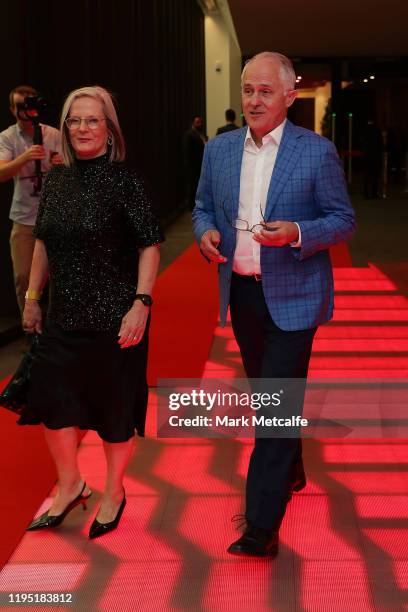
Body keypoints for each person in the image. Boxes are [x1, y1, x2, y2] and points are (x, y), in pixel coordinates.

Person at [192, 52, 355, 557]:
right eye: (247, 90)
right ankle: (294, 466)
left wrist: (299, 232)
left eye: (265, 91)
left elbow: (343, 219)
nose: (253, 100)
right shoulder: (218, 151)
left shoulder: (317, 151)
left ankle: (260, 526)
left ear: (289, 95)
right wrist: (206, 233)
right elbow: (201, 207)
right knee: (271, 396)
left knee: (273, 412)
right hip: (241, 293)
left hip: (296, 297)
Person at [20, 86, 163, 539]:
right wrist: (31, 298)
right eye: (75, 121)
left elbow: (149, 246)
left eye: (92, 120)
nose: (83, 129)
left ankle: (114, 491)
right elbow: (44, 242)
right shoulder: (58, 179)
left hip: (116, 317)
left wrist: (141, 304)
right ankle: (70, 485)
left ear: (109, 129)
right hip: (63, 315)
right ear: (65, 128)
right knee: (53, 408)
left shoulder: (126, 182)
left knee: (113, 414)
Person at [0, 85, 61, 315]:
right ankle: (31, 330)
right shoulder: (7, 137)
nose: (26, 111)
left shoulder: (53, 134)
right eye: (20, 106)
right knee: (23, 276)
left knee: (58, 276)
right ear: (12, 109)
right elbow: (2, 173)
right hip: (24, 218)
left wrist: (61, 163)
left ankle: (55, 331)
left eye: (29, 104)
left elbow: (73, 169)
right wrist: (25, 157)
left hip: (53, 216)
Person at [183, 116, 207, 210]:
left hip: (200, 165)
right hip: (193, 165)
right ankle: (191, 206)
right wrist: (189, 166)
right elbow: (187, 151)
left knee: (198, 186)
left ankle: (197, 204)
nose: (200, 124)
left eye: (201, 122)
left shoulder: (200, 134)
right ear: (192, 123)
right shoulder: (189, 134)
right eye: (197, 122)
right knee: (192, 186)